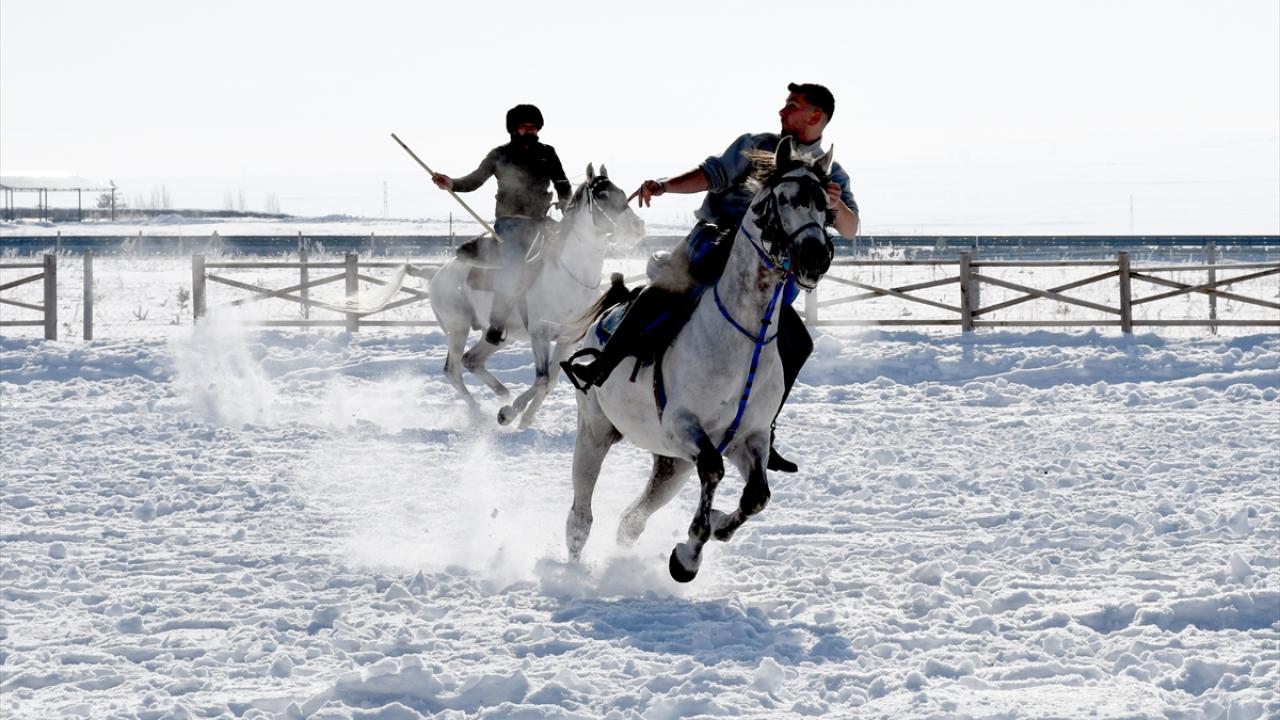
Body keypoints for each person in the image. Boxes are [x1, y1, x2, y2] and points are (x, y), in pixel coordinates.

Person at [561, 83, 859, 473]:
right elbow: (712, 175)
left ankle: (763, 427)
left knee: (797, 343)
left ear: (815, 116)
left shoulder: (831, 173)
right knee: (665, 292)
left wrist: (835, 205)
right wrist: (666, 185)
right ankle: (601, 366)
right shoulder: (756, 145)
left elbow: (850, 227)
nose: (782, 111)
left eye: (792, 105)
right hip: (716, 240)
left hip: (766, 274)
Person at [431, 104, 572, 345]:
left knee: (568, 256)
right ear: (514, 129)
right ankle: (497, 322)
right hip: (510, 225)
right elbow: (475, 180)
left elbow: (562, 183)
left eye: (534, 127)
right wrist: (452, 183)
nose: (530, 131)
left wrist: (566, 201)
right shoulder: (499, 155)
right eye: (525, 127)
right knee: (514, 265)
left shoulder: (548, 153)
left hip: (541, 222)